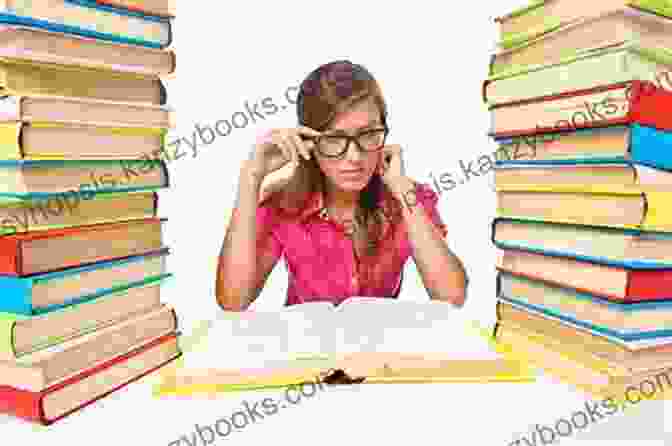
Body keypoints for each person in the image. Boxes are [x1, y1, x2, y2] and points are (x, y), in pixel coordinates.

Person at [216, 60, 468, 310]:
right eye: (335, 138)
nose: (354, 157)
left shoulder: (409, 197)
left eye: (368, 134)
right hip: (305, 346)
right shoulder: (285, 204)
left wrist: (402, 192)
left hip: (380, 347)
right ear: (309, 141)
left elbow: (451, 296)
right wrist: (251, 178)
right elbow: (233, 300)